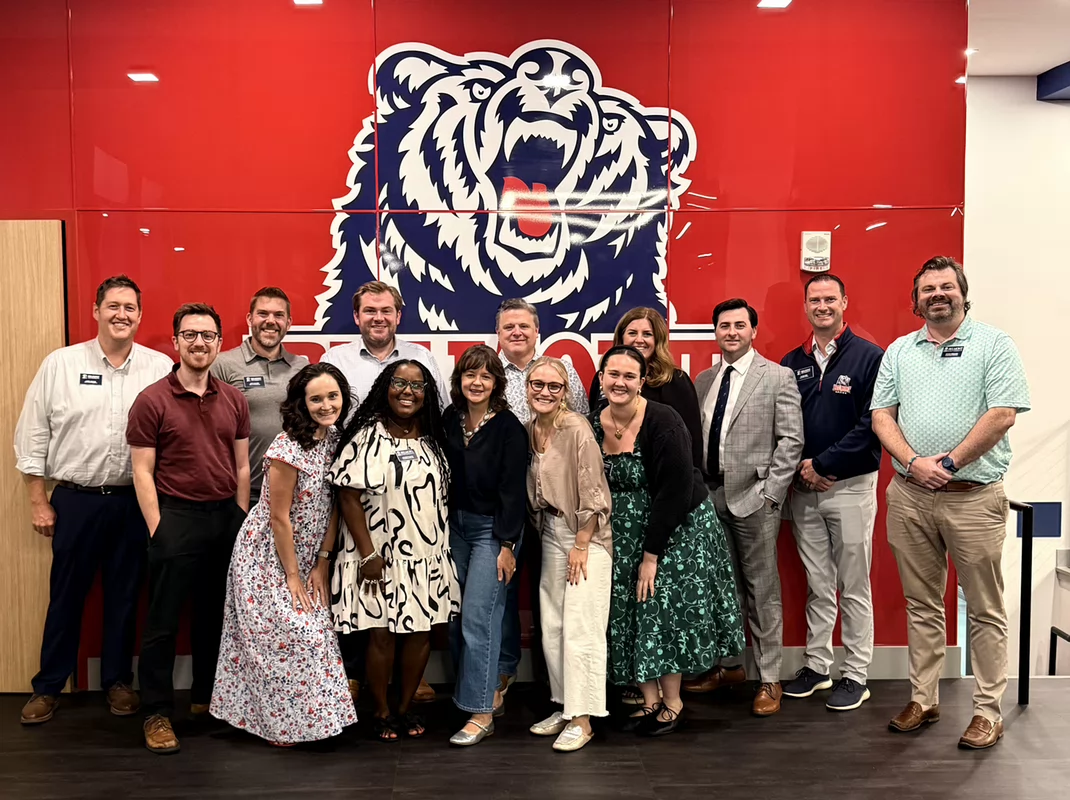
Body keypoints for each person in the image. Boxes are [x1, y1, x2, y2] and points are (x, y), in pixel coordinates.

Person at [871, 257, 1029, 750]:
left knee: (984, 609)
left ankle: (987, 711)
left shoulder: (994, 344)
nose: (937, 295)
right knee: (922, 605)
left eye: (946, 287)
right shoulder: (900, 350)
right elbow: (881, 415)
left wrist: (950, 464)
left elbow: (1003, 414)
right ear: (914, 300)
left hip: (973, 497)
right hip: (910, 495)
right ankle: (924, 698)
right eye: (927, 289)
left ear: (963, 292)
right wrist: (916, 463)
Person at [14, 275, 172, 725]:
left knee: (125, 596)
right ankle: (48, 685)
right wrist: (37, 500)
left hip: (133, 502)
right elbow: (33, 433)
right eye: (113, 306)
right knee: (66, 595)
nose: (121, 314)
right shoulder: (60, 365)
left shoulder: (158, 367)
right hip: (76, 502)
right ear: (96, 311)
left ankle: (118, 681)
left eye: (130, 307)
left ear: (140, 316)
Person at [595, 346, 744, 737]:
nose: (620, 382)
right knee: (629, 610)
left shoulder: (663, 420)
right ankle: (650, 701)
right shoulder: (593, 423)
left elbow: (676, 490)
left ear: (642, 382)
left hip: (678, 527)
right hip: (624, 532)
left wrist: (651, 555)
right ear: (601, 377)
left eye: (630, 376)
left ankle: (674, 703)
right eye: (613, 374)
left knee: (661, 608)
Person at [210, 363, 357, 745]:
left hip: (310, 554)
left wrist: (322, 561)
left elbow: (335, 504)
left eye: (332, 396)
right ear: (301, 403)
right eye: (316, 399)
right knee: (286, 635)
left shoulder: (338, 440)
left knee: (317, 636)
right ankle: (278, 725)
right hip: (266, 556)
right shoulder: (287, 447)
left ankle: (311, 722)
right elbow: (278, 518)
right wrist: (292, 575)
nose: (326, 405)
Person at [128, 303, 251, 754]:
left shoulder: (233, 399)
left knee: (215, 616)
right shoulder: (152, 400)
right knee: (162, 622)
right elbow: (142, 471)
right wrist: (159, 528)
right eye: (190, 335)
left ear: (219, 343)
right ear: (176, 341)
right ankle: (157, 713)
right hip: (174, 517)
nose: (199, 342)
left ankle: (206, 698)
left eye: (207, 335)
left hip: (224, 518)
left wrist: (237, 516)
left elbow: (241, 465)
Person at [321, 280, 446, 702]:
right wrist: (369, 550)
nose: (378, 317)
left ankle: (407, 690)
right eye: (369, 310)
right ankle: (361, 683)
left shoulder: (421, 358)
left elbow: (438, 416)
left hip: (422, 542)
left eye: (386, 310)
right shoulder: (336, 359)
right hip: (364, 514)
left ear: (398, 315)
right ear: (357, 316)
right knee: (372, 620)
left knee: (417, 627)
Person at [684, 299, 804, 717]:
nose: (731, 332)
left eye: (739, 325)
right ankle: (730, 666)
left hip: (754, 499)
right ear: (715, 332)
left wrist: (771, 494)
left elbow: (791, 440)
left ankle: (770, 677)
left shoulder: (777, 376)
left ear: (753, 330)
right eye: (723, 326)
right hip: (711, 497)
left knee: (762, 591)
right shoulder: (703, 379)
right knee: (722, 589)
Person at [329, 361, 460, 741]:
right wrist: (368, 554)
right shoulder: (368, 435)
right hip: (378, 555)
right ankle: (382, 710)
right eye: (399, 383)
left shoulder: (434, 435)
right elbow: (348, 496)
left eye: (417, 385)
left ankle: (404, 709)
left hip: (426, 553)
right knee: (382, 634)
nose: (408, 391)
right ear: (385, 387)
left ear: (427, 392)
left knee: (420, 634)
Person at [780, 275, 885, 711]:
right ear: (805, 306)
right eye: (814, 299)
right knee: (818, 583)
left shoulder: (869, 357)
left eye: (829, 299)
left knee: (854, 584)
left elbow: (873, 425)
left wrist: (824, 465)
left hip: (850, 488)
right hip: (805, 489)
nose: (822, 306)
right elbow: (784, 422)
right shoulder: (792, 361)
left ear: (845, 301)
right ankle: (818, 666)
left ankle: (856, 674)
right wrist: (805, 470)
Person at [495, 298, 588, 695]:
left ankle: (561, 683)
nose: (516, 332)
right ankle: (503, 671)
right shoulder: (486, 373)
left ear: (537, 331)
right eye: (508, 327)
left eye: (524, 326)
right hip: (504, 500)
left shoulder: (560, 371)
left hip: (555, 504)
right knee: (503, 588)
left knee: (556, 594)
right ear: (498, 333)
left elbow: (581, 427)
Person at [525, 357, 612, 752]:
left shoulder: (576, 428)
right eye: (536, 384)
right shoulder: (531, 430)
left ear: (566, 392)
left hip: (584, 537)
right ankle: (564, 706)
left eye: (553, 386)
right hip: (550, 531)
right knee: (554, 626)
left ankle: (584, 718)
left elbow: (594, 490)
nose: (544, 392)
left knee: (582, 627)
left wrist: (582, 542)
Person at [442, 345, 528, 746]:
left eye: (486, 376)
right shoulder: (449, 419)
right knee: (456, 617)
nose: (477, 383)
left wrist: (508, 544)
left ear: (496, 383)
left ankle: (481, 712)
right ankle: (478, 693)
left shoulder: (510, 428)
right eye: (470, 375)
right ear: (460, 381)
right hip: (452, 528)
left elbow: (513, 492)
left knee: (479, 617)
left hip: (493, 532)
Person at [211, 287, 310, 506]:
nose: (270, 321)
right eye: (263, 314)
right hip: (241, 491)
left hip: (293, 490)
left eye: (278, 315)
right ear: (250, 318)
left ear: (289, 322)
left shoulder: (302, 367)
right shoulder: (223, 365)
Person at [588, 307, 703, 470]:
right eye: (632, 333)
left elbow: (693, 444)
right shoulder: (604, 378)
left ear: (658, 339)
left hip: (660, 479)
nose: (639, 340)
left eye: (647, 334)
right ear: (621, 337)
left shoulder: (676, 381)